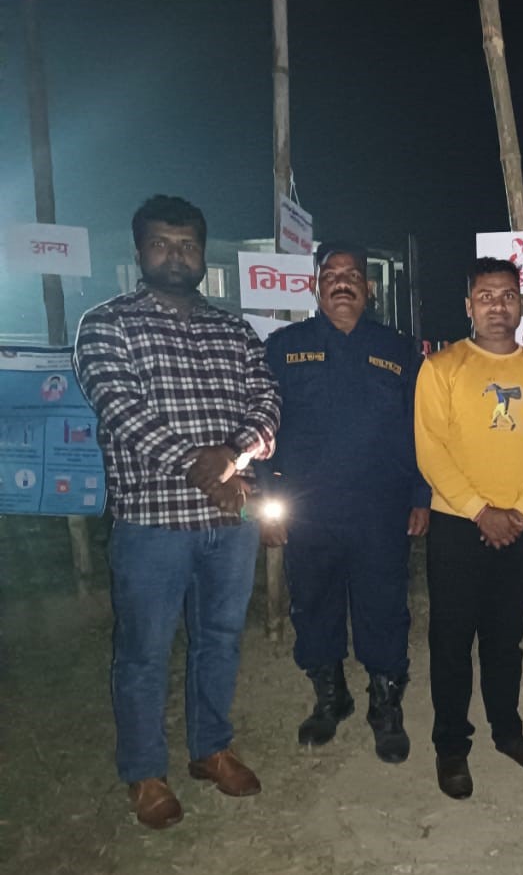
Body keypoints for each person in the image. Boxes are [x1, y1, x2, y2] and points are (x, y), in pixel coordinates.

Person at [72, 195, 280, 829]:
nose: (175, 255)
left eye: (187, 245)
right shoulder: (107, 325)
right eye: (161, 244)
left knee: (219, 640)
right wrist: (204, 467)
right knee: (143, 652)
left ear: (202, 254)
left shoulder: (235, 331)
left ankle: (210, 749)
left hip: (229, 523)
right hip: (151, 523)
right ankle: (145, 773)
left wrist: (233, 457)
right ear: (139, 251)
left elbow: (267, 405)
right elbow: (122, 410)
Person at [259, 241, 430, 764]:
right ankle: (330, 697)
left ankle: (385, 704)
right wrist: (265, 499)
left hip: (381, 508)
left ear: (368, 287)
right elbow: (262, 425)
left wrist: (422, 494)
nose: (341, 283)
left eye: (352, 275)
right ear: (315, 286)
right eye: (330, 274)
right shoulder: (284, 347)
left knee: (384, 606)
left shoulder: (399, 349)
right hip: (308, 509)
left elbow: (419, 428)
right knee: (314, 603)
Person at [414, 256, 523, 800]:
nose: (497, 306)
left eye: (507, 296)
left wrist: (520, 511)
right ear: (468, 306)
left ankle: (508, 732)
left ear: (520, 304)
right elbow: (431, 450)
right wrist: (482, 511)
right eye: (485, 296)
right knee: (451, 639)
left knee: (505, 638)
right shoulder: (441, 368)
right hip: (459, 525)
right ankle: (452, 746)